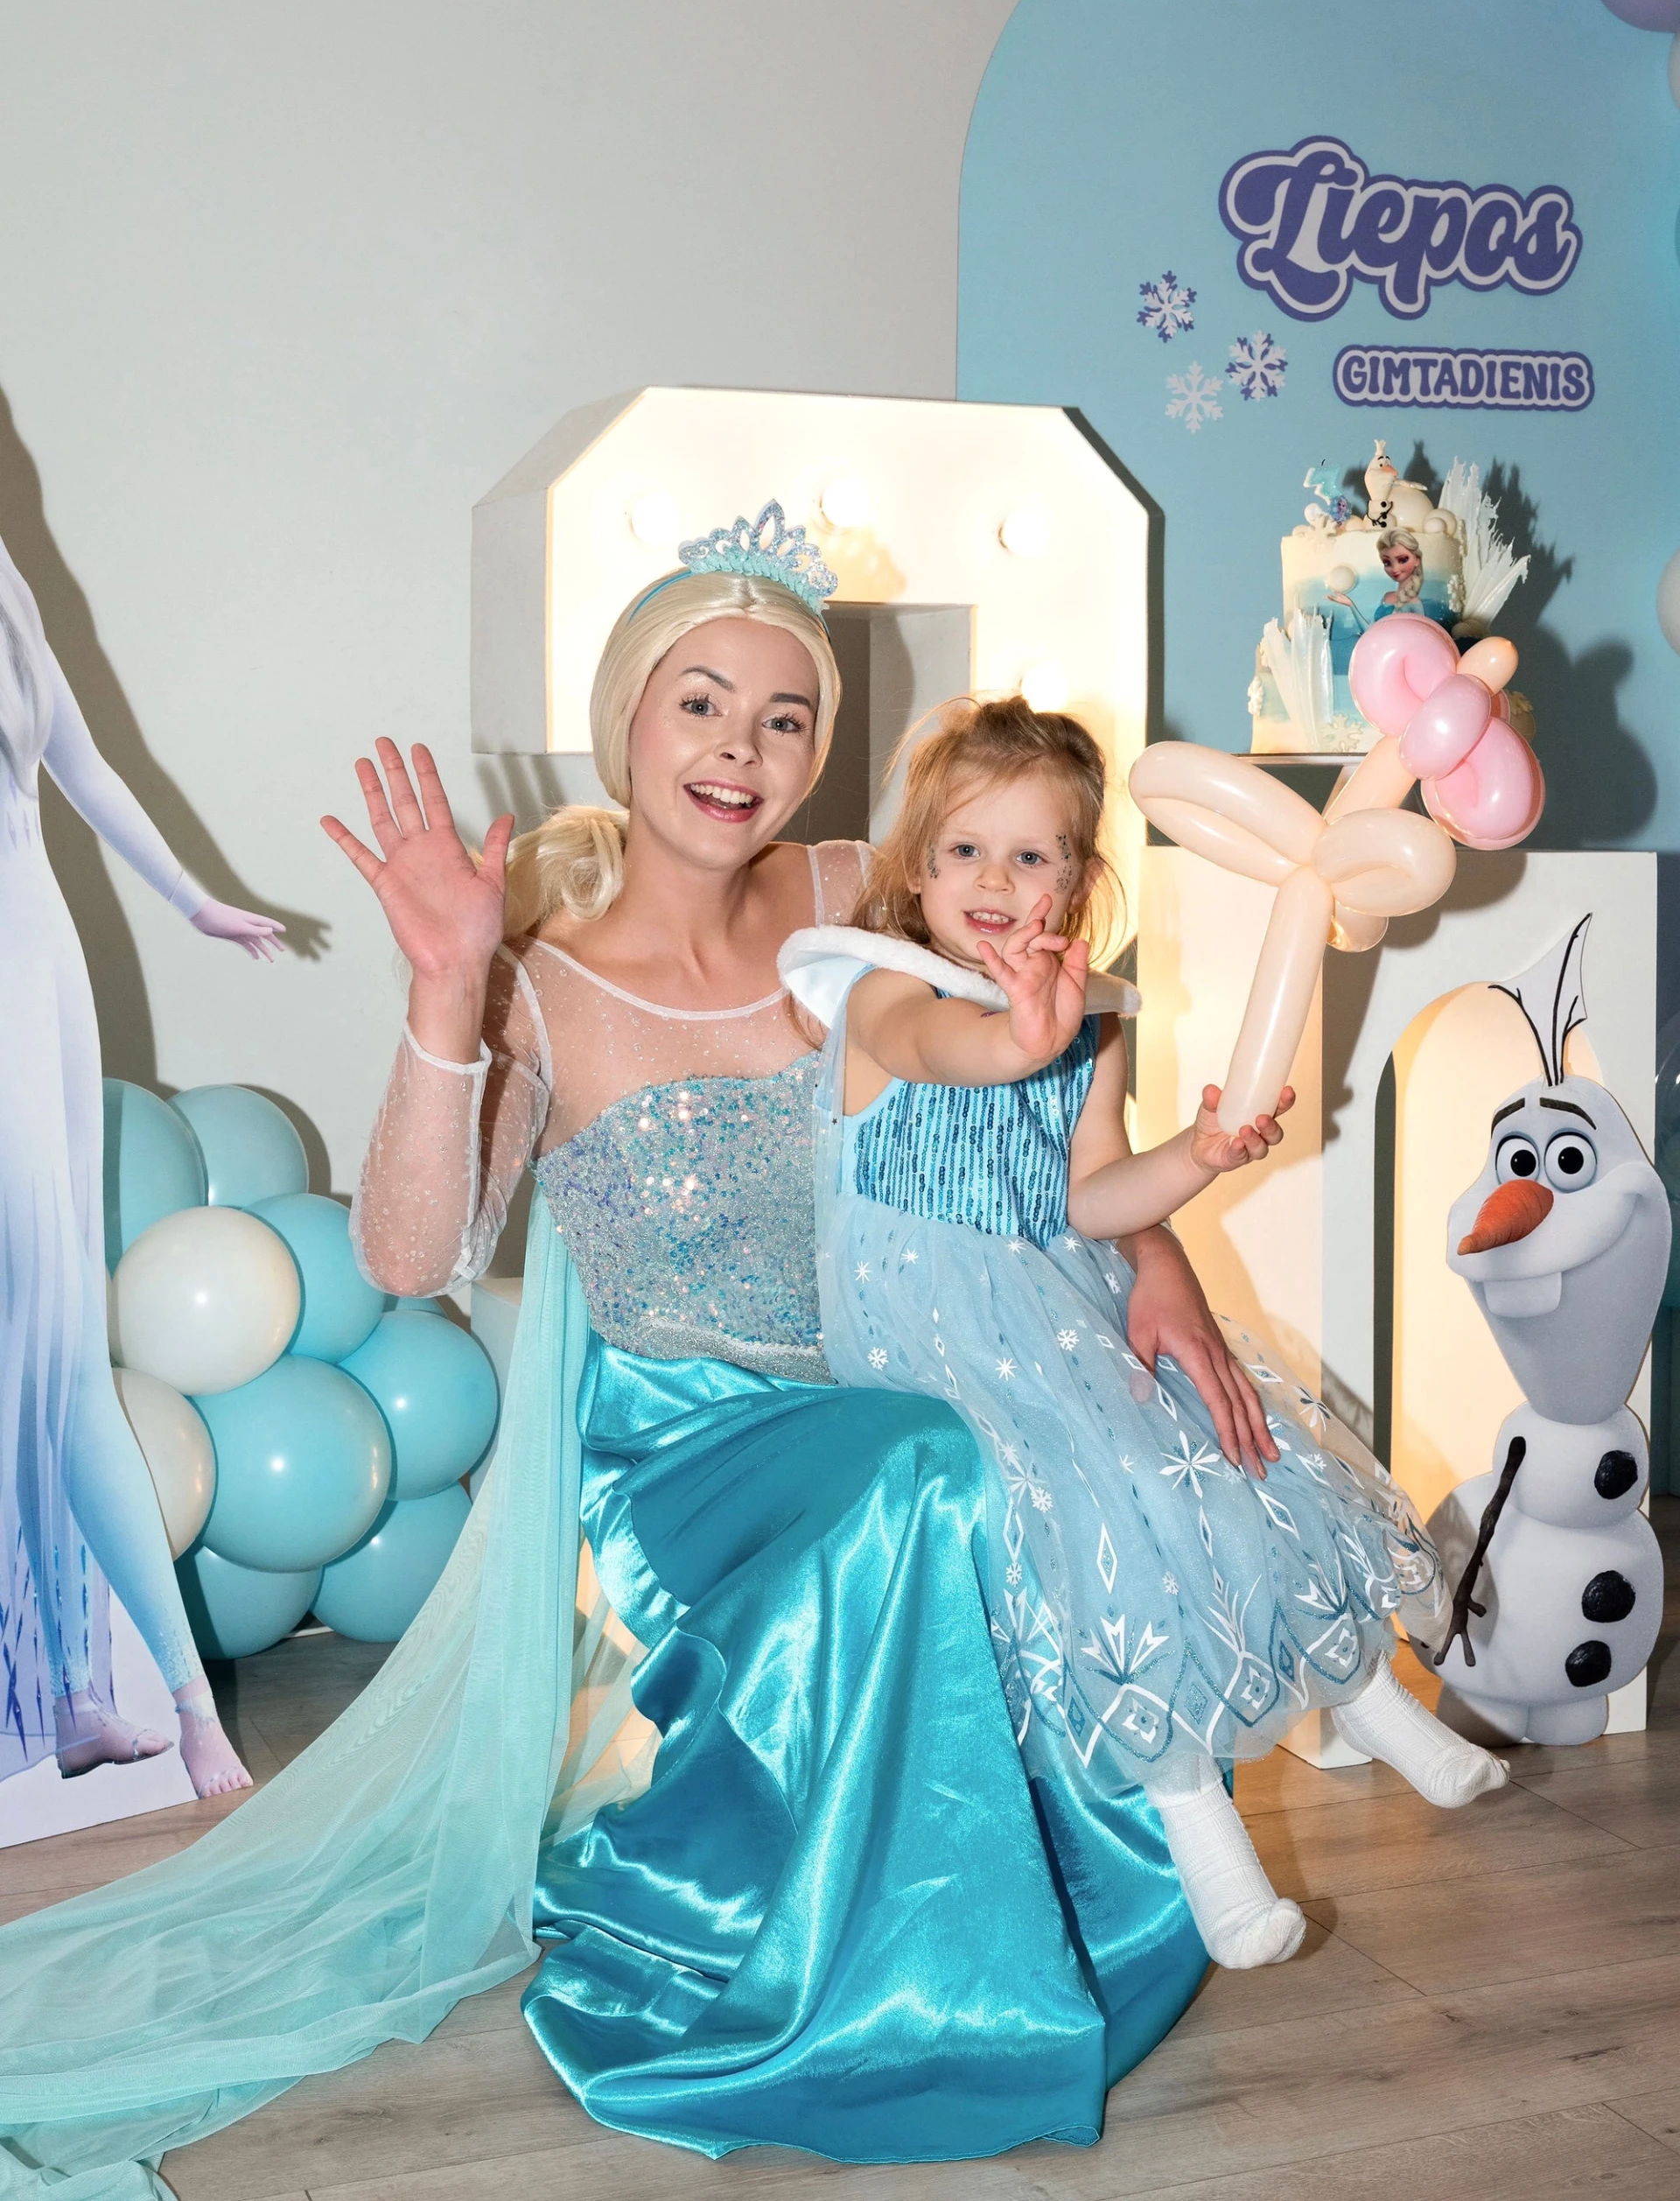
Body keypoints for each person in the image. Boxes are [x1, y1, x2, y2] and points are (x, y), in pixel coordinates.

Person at [0, 508, 1225, 2194]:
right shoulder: (543, 980)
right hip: (685, 1445)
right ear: (627, 718)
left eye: (784, 717)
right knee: (927, 1468)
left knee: (959, 1450)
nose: (740, 749)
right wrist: (447, 988)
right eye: (700, 703)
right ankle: (887, 1989)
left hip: (897, 1369)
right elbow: (407, 1259)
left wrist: (1162, 1262)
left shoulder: (852, 893)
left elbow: (1039, 1092)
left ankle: (985, 1928)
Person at [792, 696, 1507, 1975]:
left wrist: (1202, 1152)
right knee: (1109, 1490)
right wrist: (1023, 1029)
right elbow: (954, 1051)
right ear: (917, 868)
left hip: (1051, 1291)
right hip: (930, 1323)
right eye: (965, 852)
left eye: (1032, 855)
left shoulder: (1096, 1017)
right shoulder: (889, 989)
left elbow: (1094, 1195)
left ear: (1079, 878)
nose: (996, 883)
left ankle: (1370, 1697)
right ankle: (1203, 1840)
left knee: (1237, 1445)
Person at [0, 534, 277, 1805]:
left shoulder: (8, 581)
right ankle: (106, 1697)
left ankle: (100, 1696)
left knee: (57, 1350)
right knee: (39, 1347)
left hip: (37, 964)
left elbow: (82, 762)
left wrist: (189, 899)